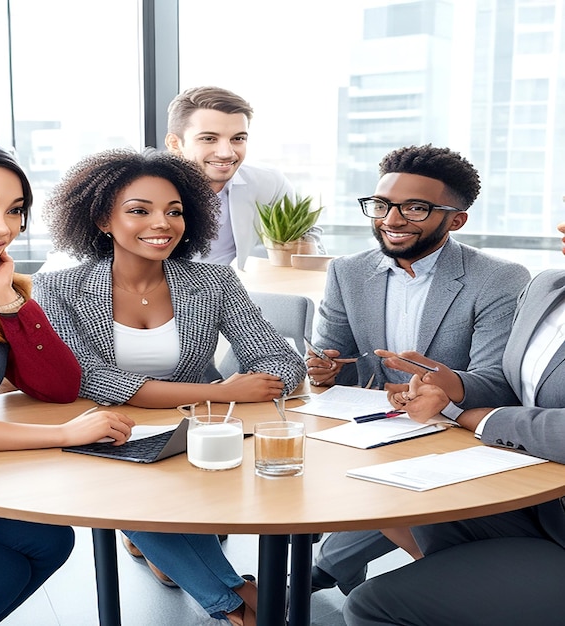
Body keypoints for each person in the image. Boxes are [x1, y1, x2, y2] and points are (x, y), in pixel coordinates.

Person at [31, 147, 307, 625]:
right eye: (139, 210)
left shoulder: (214, 280)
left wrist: (256, 384)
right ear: (102, 220)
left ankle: (167, 551)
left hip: (202, 436)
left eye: (175, 211)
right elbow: (91, 378)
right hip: (106, 434)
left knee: (155, 506)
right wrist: (222, 392)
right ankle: (238, 601)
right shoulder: (58, 287)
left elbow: (280, 360)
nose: (163, 223)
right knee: (128, 486)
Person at [305, 144, 531, 596]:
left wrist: (442, 384)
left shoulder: (499, 279)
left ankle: (320, 574)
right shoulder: (347, 272)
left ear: (456, 219)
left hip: (456, 435)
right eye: (382, 204)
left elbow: (497, 380)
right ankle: (327, 572)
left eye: (415, 207)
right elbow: (340, 363)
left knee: (395, 493)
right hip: (370, 429)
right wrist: (325, 372)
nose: (391, 219)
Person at [0, 136, 135, 625]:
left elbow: (58, 386)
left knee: (47, 541)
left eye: (14, 210)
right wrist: (64, 435)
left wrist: (6, 300)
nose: (0, 227)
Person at [342, 219, 565, 626]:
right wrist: (451, 386)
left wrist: (477, 417)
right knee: (394, 492)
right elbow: (511, 384)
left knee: (370, 604)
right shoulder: (547, 287)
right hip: (532, 497)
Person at [165, 85, 323, 269]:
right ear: (175, 143)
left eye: (238, 138)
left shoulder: (268, 182)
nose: (226, 153)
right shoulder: (145, 189)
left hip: (238, 290)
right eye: (209, 139)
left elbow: (308, 234)